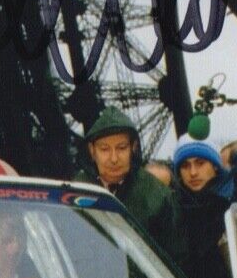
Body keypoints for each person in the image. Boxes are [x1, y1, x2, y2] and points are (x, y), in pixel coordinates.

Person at [74, 106, 184, 265]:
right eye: (104, 149)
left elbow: (176, 258)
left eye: (121, 148)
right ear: (92, 151)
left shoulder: (157, 196)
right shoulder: (75, 191)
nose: (113, 158)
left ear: (133, 148)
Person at [169, 136, 234, 278]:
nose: (193, 172)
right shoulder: (171, 208)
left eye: (200, 163)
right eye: (185, 166)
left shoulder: (232, 204)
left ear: (215, 166)